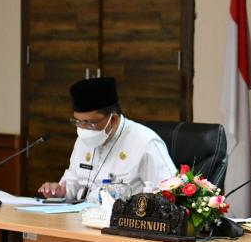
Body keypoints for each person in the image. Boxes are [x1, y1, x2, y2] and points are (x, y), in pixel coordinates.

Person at [37, 77, 176, 203]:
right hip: (81, 217)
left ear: (113, 119)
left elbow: (171, 192)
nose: (83, 129)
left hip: (124, 220)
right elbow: (73, 181)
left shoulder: (145, 142)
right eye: (78, 122)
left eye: (89, 123)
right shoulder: (83, 138)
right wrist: (60, 191)